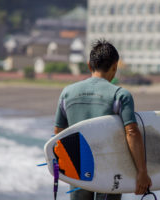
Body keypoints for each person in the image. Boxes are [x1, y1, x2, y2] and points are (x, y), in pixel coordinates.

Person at [54, 39, 152, 200]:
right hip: (110, 170)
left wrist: (64, 169)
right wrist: (142, 172)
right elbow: (132, 132)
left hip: (78, 168)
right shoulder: (120, 95)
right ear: (115, 67)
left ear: (89, 65)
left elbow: (58, 134)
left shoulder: (67, 93)